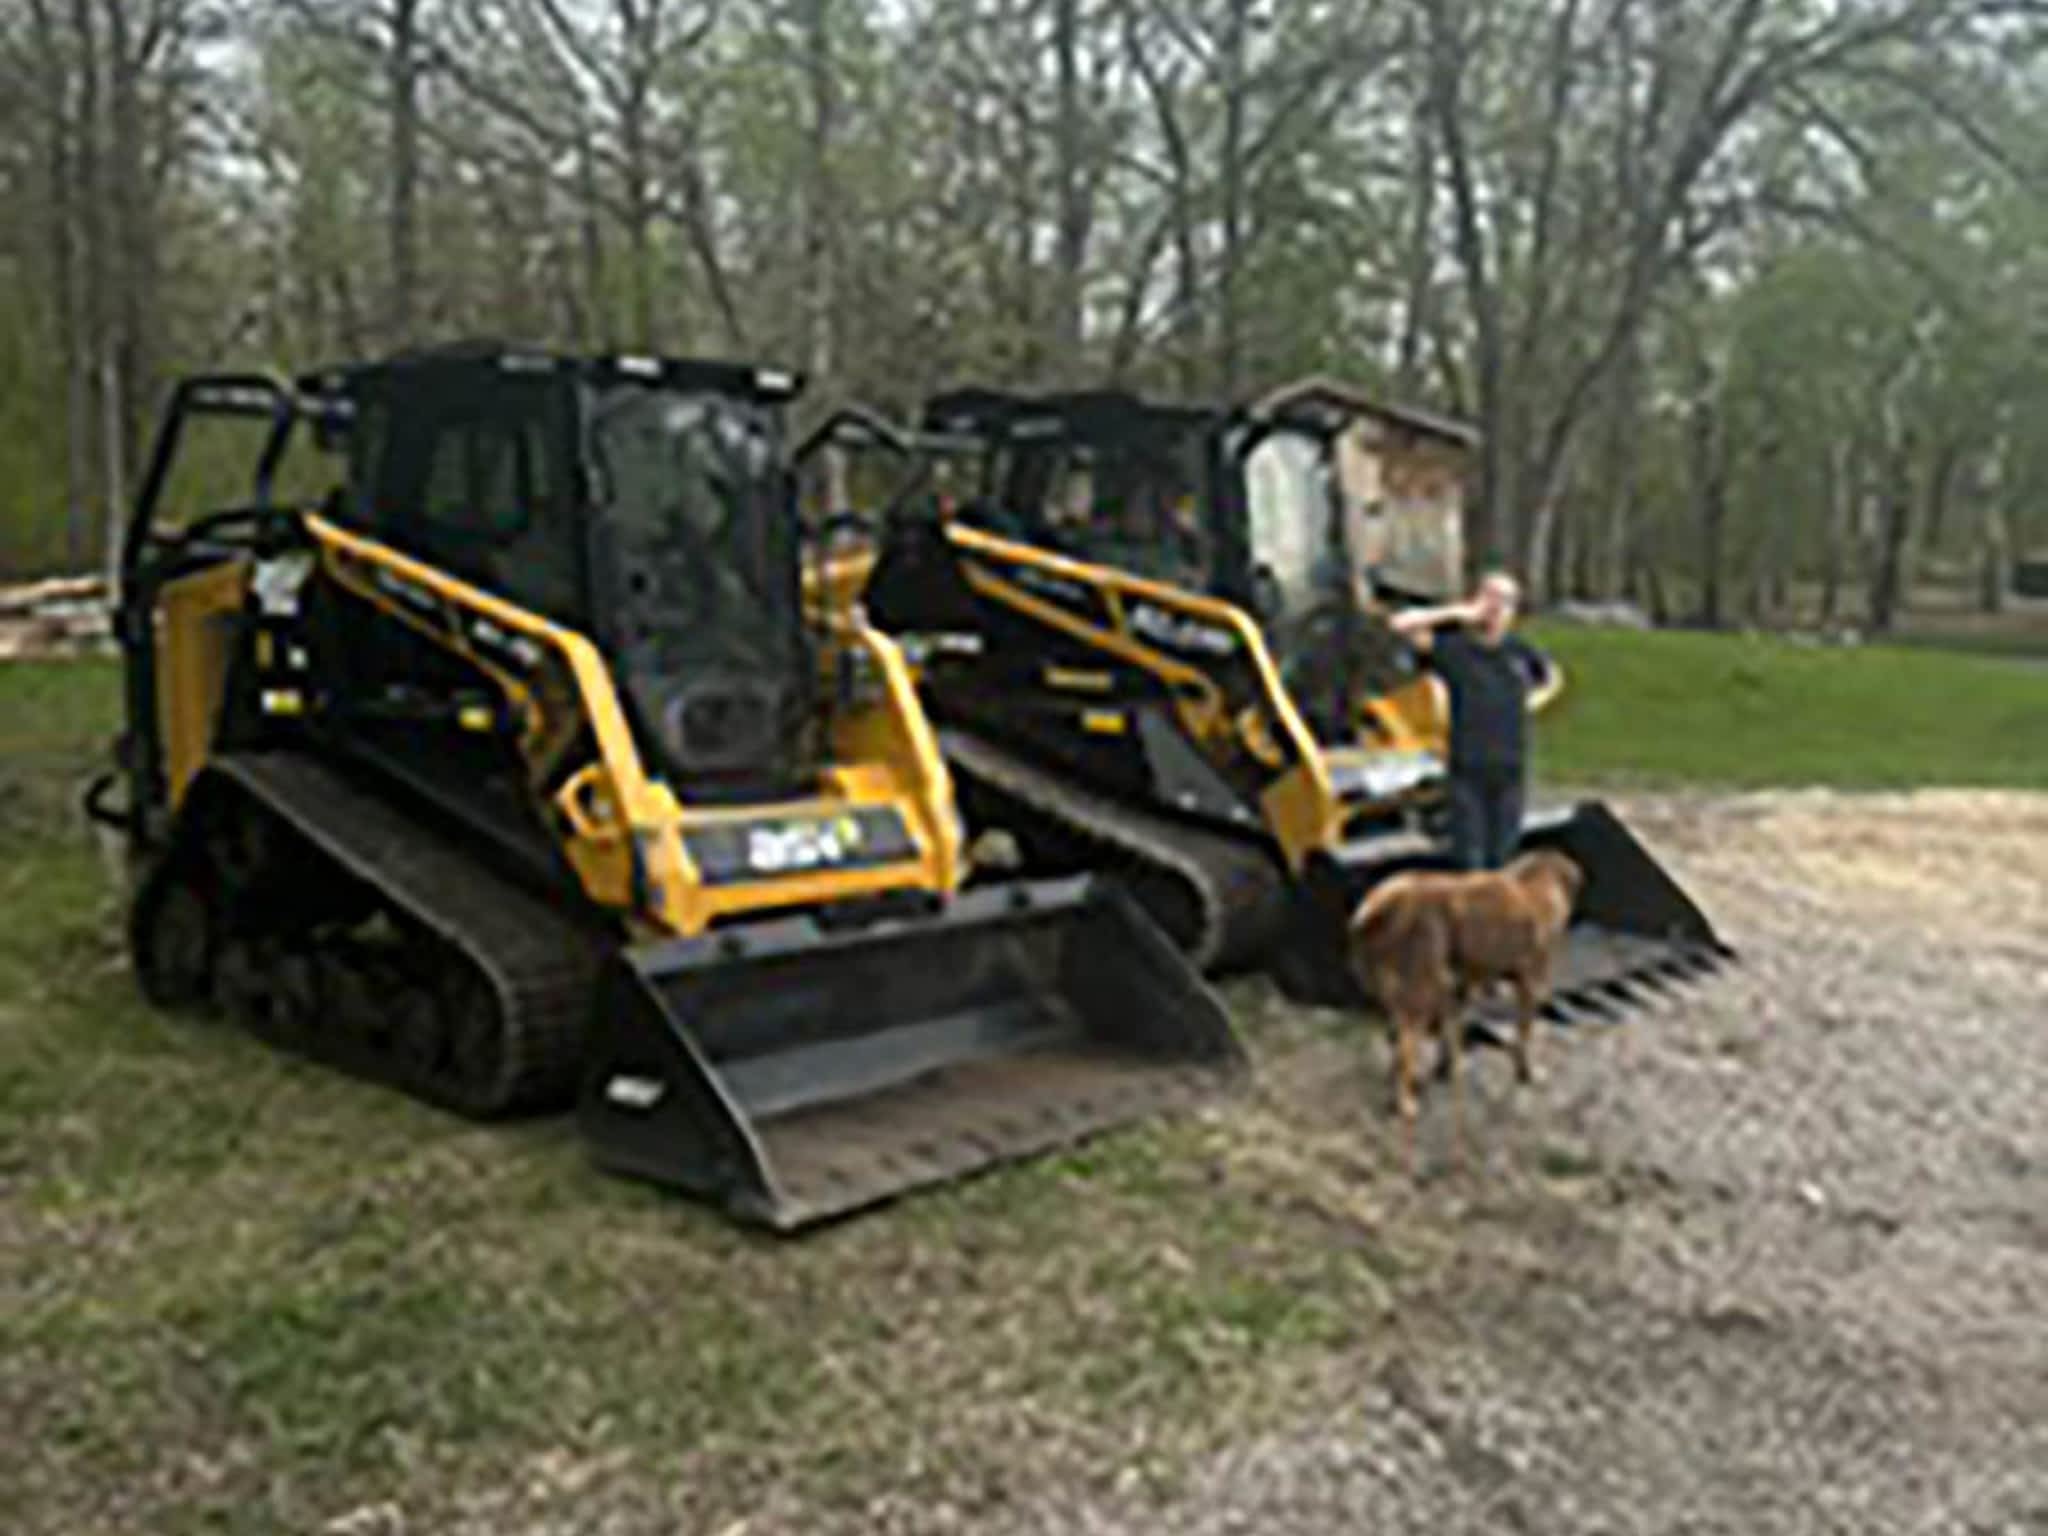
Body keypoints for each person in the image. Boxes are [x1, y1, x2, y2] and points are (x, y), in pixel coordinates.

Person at [1388, 572, 1549, 871]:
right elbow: (1401, 625)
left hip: (1510, 771)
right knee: (1470, 862)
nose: (1496, 609)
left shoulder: (1521, 654)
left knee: (1504, 859)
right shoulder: (1455, 650)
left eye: (1506, 601)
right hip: (1468, 771)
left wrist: (1527, 706)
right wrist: (1457, 613)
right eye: (1490, 598)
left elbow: (1547, 680)